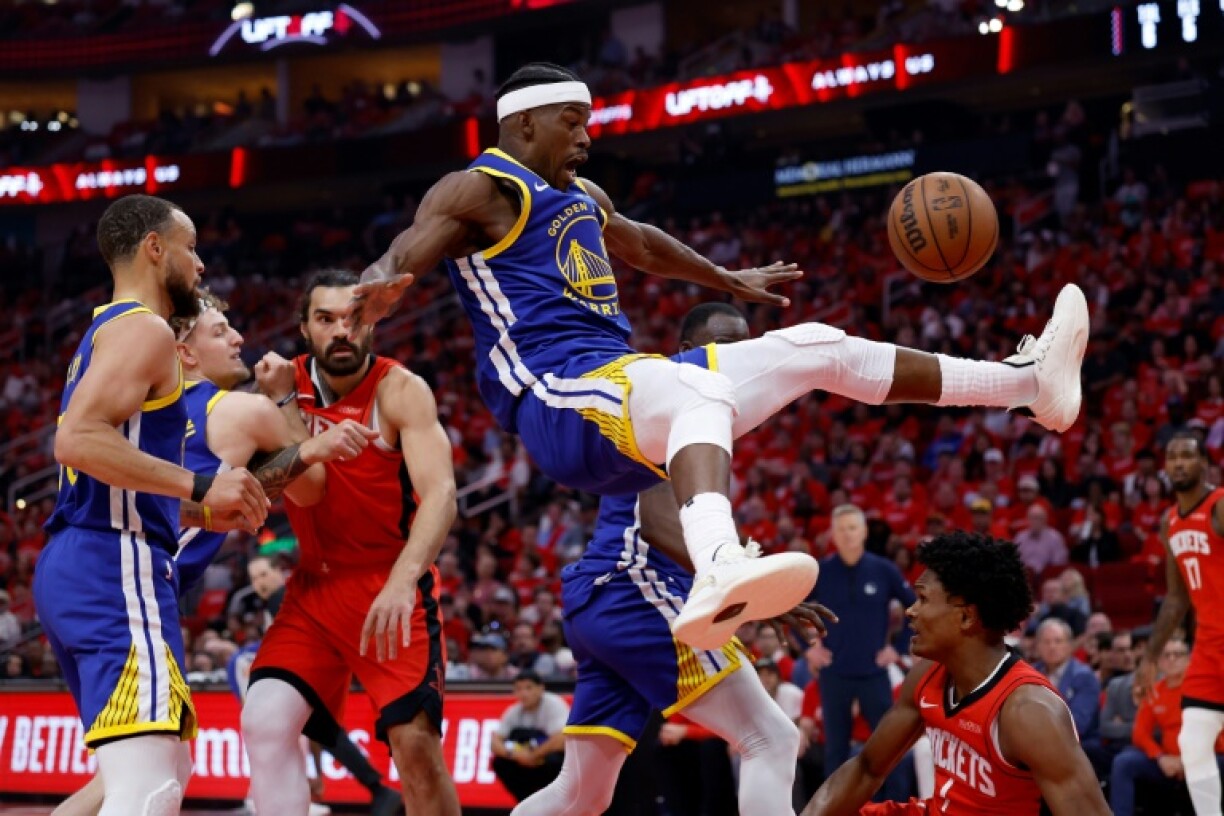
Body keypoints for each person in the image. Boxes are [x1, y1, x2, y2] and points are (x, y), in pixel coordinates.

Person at [351, 61, 1090, 653]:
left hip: (619, 384)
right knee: (686, 392)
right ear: (524, 123)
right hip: (552, 396)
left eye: (588, 123)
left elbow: (640, 243)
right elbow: (399, 253)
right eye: (572, 123)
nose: (585, 137)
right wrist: (370, 298)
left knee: (815, 348)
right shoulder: (479, 187)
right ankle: (720, 565)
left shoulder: (583, 195)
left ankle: (1028, 385)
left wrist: (725, 278)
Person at [51, 291, 395, 816]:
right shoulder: (241, 408)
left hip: (71, 572)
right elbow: (312, 488)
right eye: (219, 331)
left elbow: (183, 500)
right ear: (184, 353)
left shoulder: (135, 416)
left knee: (146, 767)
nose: (238, 339)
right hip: (127, 585)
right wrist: (285, 399)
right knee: (154, 777)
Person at [512, 302, 834, 816]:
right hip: (634, 589)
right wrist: (755, 595)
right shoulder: (675, 395)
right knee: (770, 738)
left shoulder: (698, 410)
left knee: (582, 793)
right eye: (723, 345)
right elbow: (660, 523)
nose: (737, 357)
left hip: (602, 600)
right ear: (688, 353)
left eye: (744, 345)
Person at [34, 194, 268, 816]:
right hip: (114, 567)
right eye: (190, 248)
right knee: (151, 784)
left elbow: (111, 471)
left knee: (147, 769)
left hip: (83, 559)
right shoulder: (145, 328)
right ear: (154, 248)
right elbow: (78, 441)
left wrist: (196, 511)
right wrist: (198, 486)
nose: (200, 265)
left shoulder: (104, 331)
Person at [242, 270, 460, 816]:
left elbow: (441, 495)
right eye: (326, 319)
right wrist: (286, 402)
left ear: (371, 324)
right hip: (313, 591)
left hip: (388, 586)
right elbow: (296, 491)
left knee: (415, 750)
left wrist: (404, 580)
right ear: (304, 328)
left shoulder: (400, 390)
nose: (342, 330)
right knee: (264, 720)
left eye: (353, 318)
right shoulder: (275, 386)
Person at [802, 531, 1110, 815]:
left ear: (965, 617)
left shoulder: (1028, 712)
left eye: (922, 599)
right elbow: (867, 769)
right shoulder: (926, 676)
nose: (910, 611)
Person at [1135, 430, 1224, 815]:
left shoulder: (1219, 507)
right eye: (1171, 458)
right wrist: (1150, 657)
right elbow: (1175, 599)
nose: (1178, 464)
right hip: (1207, 643)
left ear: (1204, 463)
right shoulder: (1170, 522)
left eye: (1186, 456)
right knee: (1192, 742)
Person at [811, 504, 916, 800]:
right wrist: (810, 646)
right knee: (836, 750)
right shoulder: (821, 571)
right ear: (833, 533)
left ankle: (897, 807)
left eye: (853, 527)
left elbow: (914, 609)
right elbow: (792, 609)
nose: (847, 534)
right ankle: (835, 809)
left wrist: (895, 649)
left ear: (864, 531)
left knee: (887, 747)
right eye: (841, 528)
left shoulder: (883, 569)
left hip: (873, 672)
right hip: (835, 673)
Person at [1111, 639, 1224, 816]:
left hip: (1208, 757)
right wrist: (1160, 756)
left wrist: (1187, 760)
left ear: (1189, 659)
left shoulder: (1204, 688)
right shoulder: (1155, 691)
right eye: (1166, 655)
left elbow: (1216, 730)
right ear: (1159, 662)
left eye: (1177, 654)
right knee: (1124, 762)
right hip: (1168, 761)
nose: (1171, 659)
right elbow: (1140, 733)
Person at [491, 670, 570, 802]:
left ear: (540, 688)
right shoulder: (513, 711)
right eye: (519, 689)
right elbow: (495, 742)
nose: (524, 693)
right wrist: (514, 755)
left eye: (528, 688)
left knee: (554, 760)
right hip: (526, 761)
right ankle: (524, 802)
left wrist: (533, 755)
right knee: (500, 763)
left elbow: (561, 740)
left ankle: (556, 804)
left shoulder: (554, 704)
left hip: (550, 762)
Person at [1033, 617, 1101, 741]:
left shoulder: (1084, 676)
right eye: (1046, 642)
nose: (1052, 647)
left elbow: (1078, 724)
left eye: (1058, 641)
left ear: (1069, 645)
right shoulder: (1030, 673)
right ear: (1038, 646)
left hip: (1077, 745)